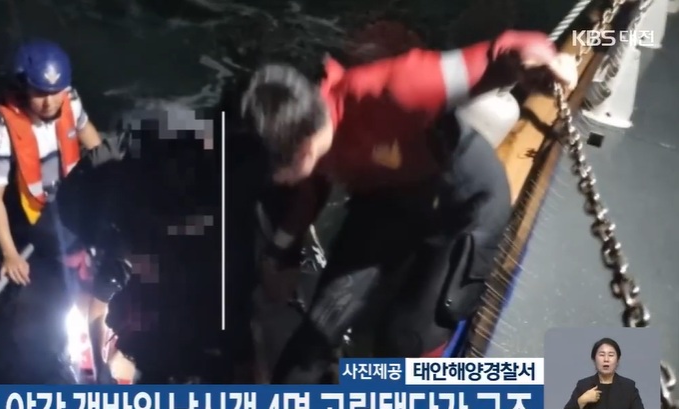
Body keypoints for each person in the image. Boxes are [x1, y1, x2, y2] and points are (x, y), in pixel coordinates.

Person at [239, 30, 579, 385]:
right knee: (320, 329)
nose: (275, 180)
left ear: (303, 150)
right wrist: (282, 257)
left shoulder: (396, 88)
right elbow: (309, 193)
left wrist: (544, 59)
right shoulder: (309, 131)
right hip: (388, 196)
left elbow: (500, 52)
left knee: (407, 339)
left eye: (275, 170)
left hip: (462, 207)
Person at [0, 38, 133, 381]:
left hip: (69, 203)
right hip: (29, 218)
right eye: (40, 93)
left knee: (100, 265)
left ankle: (100, 333)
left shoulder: (68, 100)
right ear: (23, 86)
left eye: (56, 91)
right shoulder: (1, 128)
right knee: (38, 300)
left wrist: (114, 188)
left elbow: (96, 149)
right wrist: (10, 254)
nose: (49, 102)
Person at [561, 337, 647, 409]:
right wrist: (582, 400)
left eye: (611, 355)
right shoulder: (584, 384)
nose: (606, 359)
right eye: (601, 355)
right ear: (594, 359)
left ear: (618, 360)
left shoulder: (628, 386)